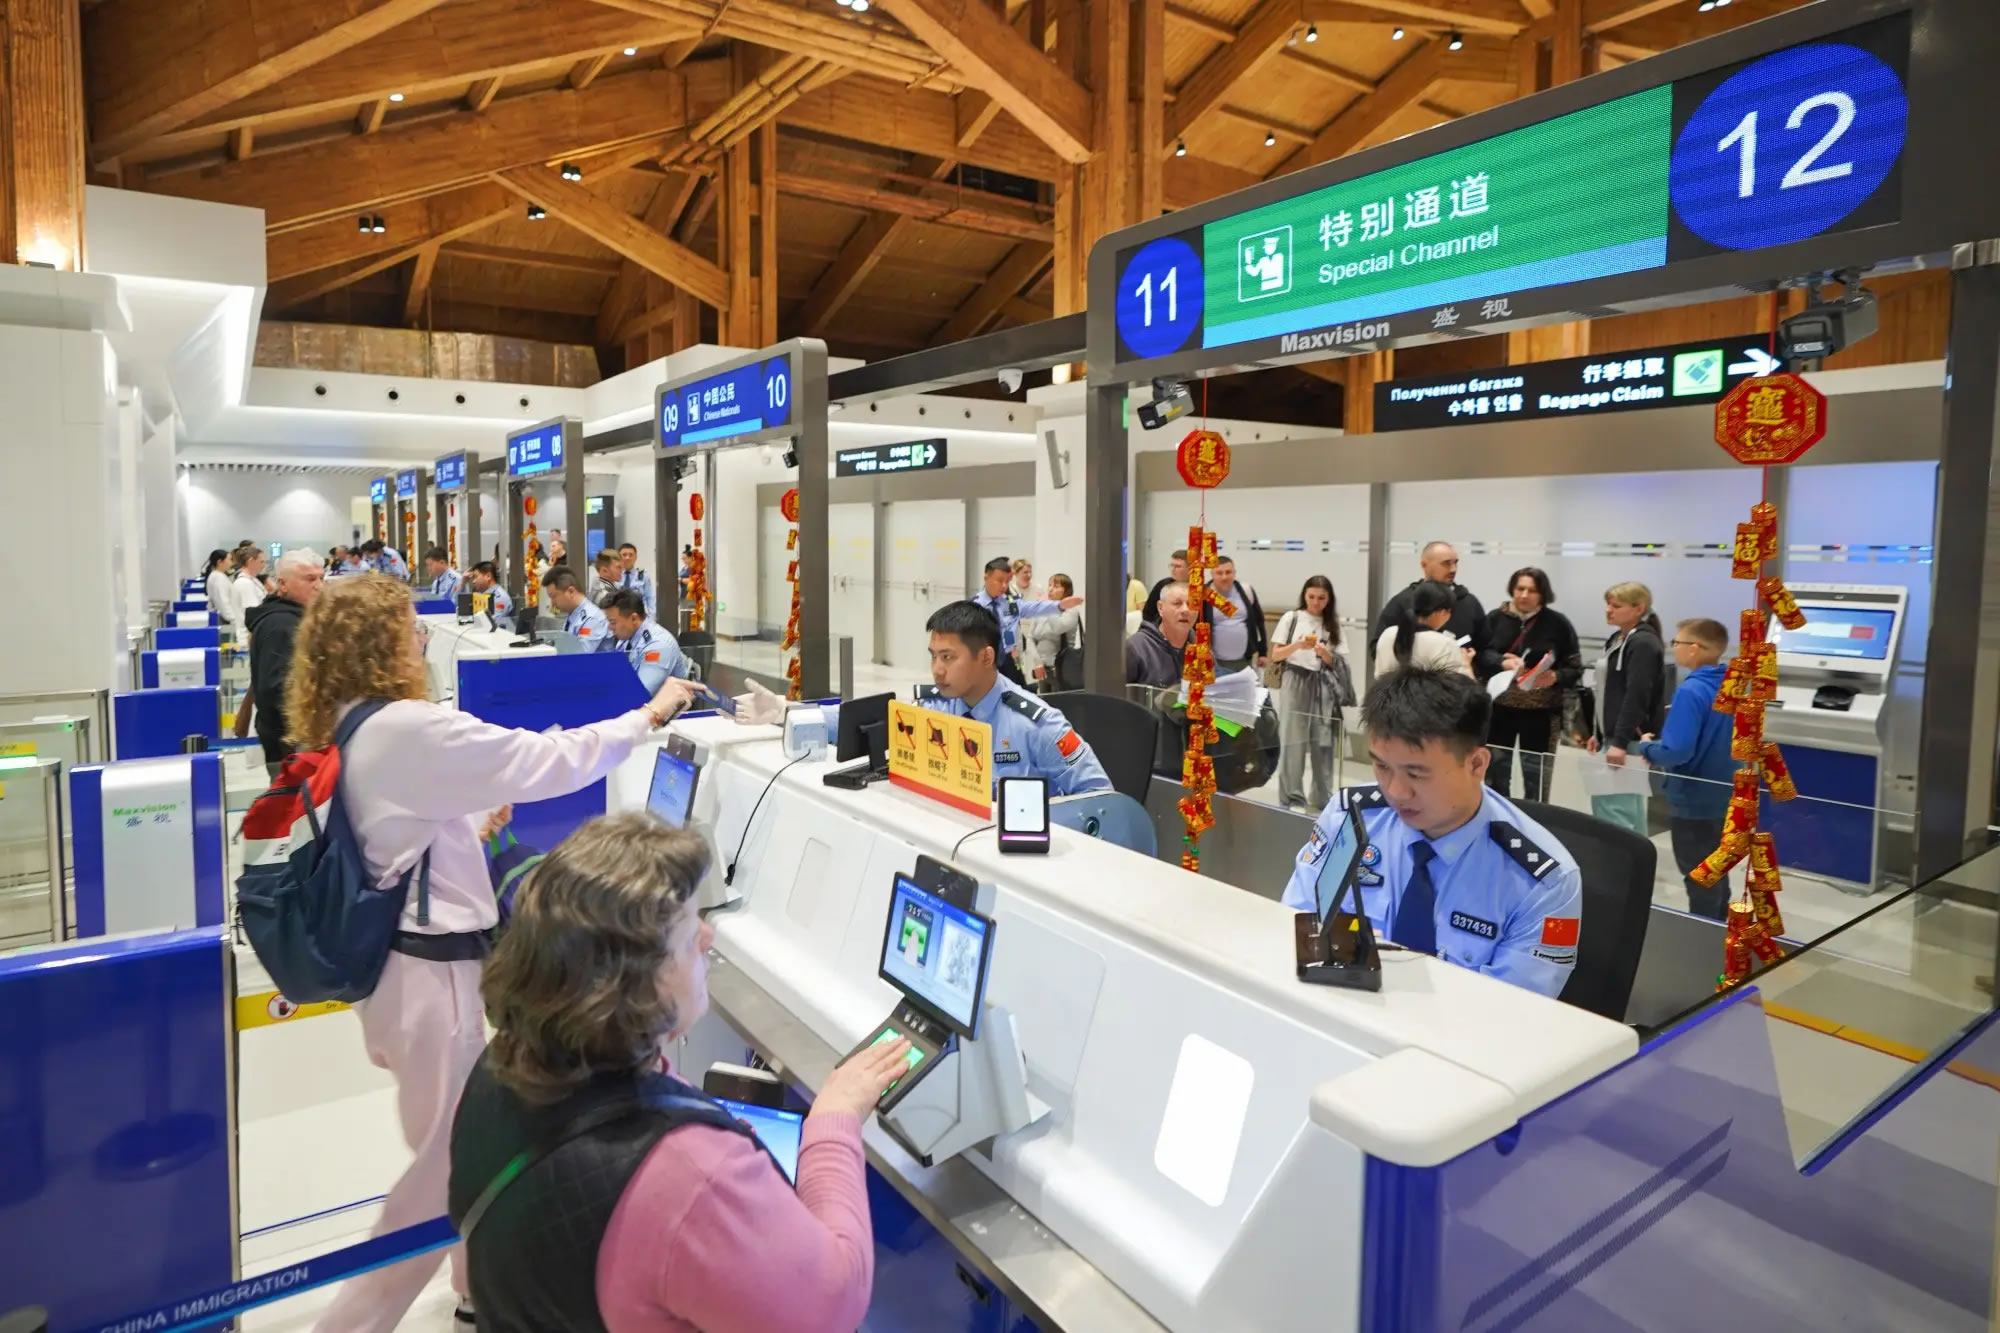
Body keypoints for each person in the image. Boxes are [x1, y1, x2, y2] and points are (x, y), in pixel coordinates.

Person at [288, 574, 696, 1333]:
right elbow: (550, 759)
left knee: (452, 1145)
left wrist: (467, 826)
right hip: (429, 980)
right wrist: (647, 715)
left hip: (403, 974)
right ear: (380, 643)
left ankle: (474, 1287)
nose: (420, 640)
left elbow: (395, 839)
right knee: (442, 1168)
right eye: (409, 628)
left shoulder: (355, 723)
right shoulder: (407, 727)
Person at [448, 815, 913, 1330]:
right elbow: (834, 1303)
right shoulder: (692, 1176)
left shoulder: (497, 1069)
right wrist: (833, 1121)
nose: (708, 937)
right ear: (633, 985)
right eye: (689, 932)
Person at [1282, 667, 1583, 999]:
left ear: (1477, 765)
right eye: (1382, 766)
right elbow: (1298, 923)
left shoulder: (1544, 880)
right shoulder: (1351, 817)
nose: (1395, 791)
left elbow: (1513, 1010)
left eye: (1417, 774)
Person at [917, 600, 1112, 797]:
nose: (937, 670)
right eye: (933, 656)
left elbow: (1099, 797)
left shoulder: (1039, 725)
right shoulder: (932, 709)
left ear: (986, 657)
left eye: (947, 657)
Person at [1632, 619, 1736, 920]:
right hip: (1725, 793)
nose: (1673, 648)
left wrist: (1647, 747)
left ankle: (1701, 933)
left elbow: (1677, 751)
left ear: (1694, 649)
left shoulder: (1691, 691)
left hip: (1694, 798)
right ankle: (1718, 930)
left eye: (1677, 642)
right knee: (1717, 870)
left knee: (1698, 876)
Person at [1484, 567, 1584, 803]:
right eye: (1520, 588)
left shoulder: (1557, 623)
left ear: (1543, 594)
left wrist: (1556, 676)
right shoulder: (1494, 618)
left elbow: (1575, 667)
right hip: (1499, 708)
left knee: (1536, 777)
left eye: (1532, 590)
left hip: (1541, 711)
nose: (1524, 595)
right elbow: (1480, 655)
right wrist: (1501, 662)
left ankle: (1534, 819)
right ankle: (1499, 815)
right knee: (1496, 772)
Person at [1587, 581, 1667, 835]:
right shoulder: (1618, 639)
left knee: (1614, 811)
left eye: (1616, 605)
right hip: (1613, 735)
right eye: (1608, 604)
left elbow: (1637, 695)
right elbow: (1606, 690)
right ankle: (1634, 859)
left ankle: (1619, 859)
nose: (1608, 610)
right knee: (1626, 808)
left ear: (1638, 609)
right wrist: (1598, 733)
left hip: (1627, 739)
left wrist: (1619, 742)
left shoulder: (1643, 643)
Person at [1271, 576, 1354, 811]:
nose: (1316, 602)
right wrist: (1297, 646)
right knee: (1292, 740)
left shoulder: (1333, 624)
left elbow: (1339, 661)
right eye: (1311, 597)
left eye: (1321, 598)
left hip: (1323, 682)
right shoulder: (1292, 618)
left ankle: (1322, 796)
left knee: (1323, 740)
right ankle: (1291, 796)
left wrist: (1324, 653)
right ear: (1304, 596)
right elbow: (1276, 654)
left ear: (1329, 599)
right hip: (1294, 678)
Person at [245, 548, 324, 771]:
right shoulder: (281, 626)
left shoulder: (294, 618)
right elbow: (279, 691)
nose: (319, 586)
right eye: (310, 579)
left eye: (321, 578)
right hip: (290, 746)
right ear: (283, 584)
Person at [1372, 542, 1495, 678]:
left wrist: (1497, 662)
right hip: (1405, 684)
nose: (1453, 569)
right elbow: (1379, 649)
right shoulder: (1402, 602)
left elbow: (1485, 648)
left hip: (1456, 684)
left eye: (1455, 563)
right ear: (1424, 565)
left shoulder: (1469, 603)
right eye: (1446, 563)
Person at [971, 556, 1081, 688]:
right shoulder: (974, 605)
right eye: (1000, 580)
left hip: (1009, 661)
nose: (1004, 586)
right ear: (986, 578)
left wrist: (1059, 605)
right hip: (984, 661)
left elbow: (1032, 608)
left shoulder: (1010, 602)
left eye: (1007, 581)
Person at [1374, 580, 1473, 679]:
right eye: (1449, 612)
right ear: (1441, 612)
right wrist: (1466, 663)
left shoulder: (1387, 635)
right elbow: (1461, 686)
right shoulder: (1445, 644)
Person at [600, 589, 688, 692]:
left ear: (634, 619)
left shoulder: (657, 645)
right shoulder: (625, 638)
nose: (610, 627)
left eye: (613, 622)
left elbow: (641, 693)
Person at [1019, 573, 1083, 694]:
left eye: (1056, 586)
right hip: (1042, 670)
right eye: (1049, 585)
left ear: (1066, 590)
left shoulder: (1071, 611)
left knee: (1061, 703)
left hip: (1061, 670)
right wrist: (1037, 662)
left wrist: (1049, 608)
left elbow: (1057, 627)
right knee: (1044, 702)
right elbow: (1030, 637)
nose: (1051, 589)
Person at [1206, 556, 1268, 674]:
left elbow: (1258, 621)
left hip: (1244, 661)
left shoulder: (1246, 590)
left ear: (1234, 573)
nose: (1224, 577)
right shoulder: (1205, 594)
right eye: (1219, 573)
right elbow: (1196, 627)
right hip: (1214, 662)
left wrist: (1263, 652)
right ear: (1212, 574)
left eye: (1228, 572)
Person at [1125, 581, 1192, 687]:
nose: (1186, 610)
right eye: (1177, 603)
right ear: (1160, 608)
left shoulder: (1201, 647)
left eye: (1192, 604)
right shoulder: (1135, 648)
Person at [542, 566, 609, 645]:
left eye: (554, 596)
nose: (552, 603)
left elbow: (580, 651)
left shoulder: (592, 618)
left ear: (571, 592)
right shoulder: (573, 617)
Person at [1142, 549, 1190, 626]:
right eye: (1172, 566)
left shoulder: (1199, 588)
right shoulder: (1162, 585)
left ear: (1190, 569)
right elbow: (1148, 613)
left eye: (1178, 566)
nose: (1173, 570)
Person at [466, 561, 513, 630]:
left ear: (488, 576)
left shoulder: (499, 597)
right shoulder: (482, 594)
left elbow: (493, 624)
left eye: (476, 577)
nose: (473, 581)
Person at [231, 546, 268, 635]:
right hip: (248, 636)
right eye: (261, 562)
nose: (264, 565)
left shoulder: (251, 580)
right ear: (250, 561)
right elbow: (253, 614)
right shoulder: (244, 583)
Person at [617, 541, 657, 618]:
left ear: (635, 557)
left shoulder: (642, 575)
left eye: (631, 555)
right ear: (619, 557)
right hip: (620, 615)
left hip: (639, 615)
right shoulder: (615, 575)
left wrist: (652, 618)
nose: (627, 558)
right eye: (624, 555)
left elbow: (650, 598)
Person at [201, 548, 235, 623]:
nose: (231, 563)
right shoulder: (218, 578)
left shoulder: (218, 575)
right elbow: (223, 602)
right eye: (229, 560)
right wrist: (234, 620)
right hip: (226, 621)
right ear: (220, 562)